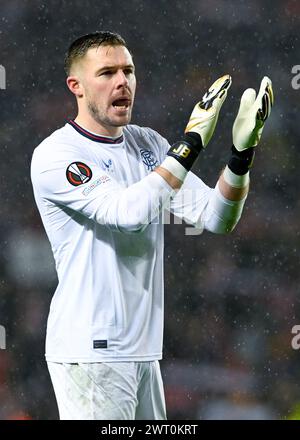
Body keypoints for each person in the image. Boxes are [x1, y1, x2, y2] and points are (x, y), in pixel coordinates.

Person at [30, 31, 273, 420]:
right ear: (75, 86)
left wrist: (241, 155)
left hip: (142, 350)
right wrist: (191, 144)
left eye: (128, 70)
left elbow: (216, 217)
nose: (122, 81)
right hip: (92, 353)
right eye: (106, 72)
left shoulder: (147, 144)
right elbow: (126, 214)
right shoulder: (57, 155)